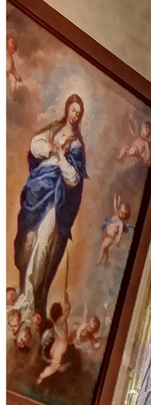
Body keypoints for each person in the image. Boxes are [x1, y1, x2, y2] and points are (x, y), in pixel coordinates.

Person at [14, 94, 85, 344]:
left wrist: (62, 158)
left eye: (79, 112)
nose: (75, 115)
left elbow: (74, 179)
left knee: (44, 244)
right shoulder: (54, 130)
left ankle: (31, 299)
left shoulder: (76, 145)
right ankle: (25, 294)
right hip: (39, 190)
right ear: (67, 109)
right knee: (28, 243)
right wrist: (52, 150)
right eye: (72, 110)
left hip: (57, 198)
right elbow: (35, 146)